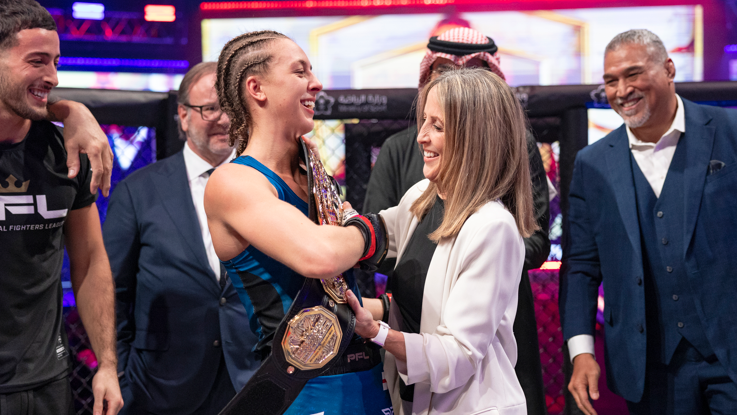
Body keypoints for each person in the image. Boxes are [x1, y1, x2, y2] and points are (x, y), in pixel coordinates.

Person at [362, 26, 550, 415]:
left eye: (438, 126)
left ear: (474, 134)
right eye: (424, 122)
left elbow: (458, 353)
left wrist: (375, 330)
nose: (421, 138)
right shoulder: (420, 194)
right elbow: (374, 235)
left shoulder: (494, 227)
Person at [204, 30, 392, 414]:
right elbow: (320, 256)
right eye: (300, 71)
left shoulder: (316, 176)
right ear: (257, 88)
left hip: (367, 377)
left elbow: (336, 299)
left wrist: (391, 309)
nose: (317, 83)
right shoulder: (235, 182)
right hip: (304, 391)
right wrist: (383, 228)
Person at [561, 29, 737, 415]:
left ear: (669, 69)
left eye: (633, 74)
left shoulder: (729, 132)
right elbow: (580, 267)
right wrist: (581, 351)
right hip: (650, 368)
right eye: (611, 80)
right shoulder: (592, 164)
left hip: (730, 353)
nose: (622, 90)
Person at [102, 62, 260, 415]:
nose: (223, 119)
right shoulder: (137, 191)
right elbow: (112, 290)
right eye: (210, 109)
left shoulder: (269, 185)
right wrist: (121, 371)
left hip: (253, 379)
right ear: (183, 115)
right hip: (161, 386)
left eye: (232, 108)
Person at [0, 1, 123, 414]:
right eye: (36, 61)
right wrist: (74, 109)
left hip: (47, 379)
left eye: (54, 62)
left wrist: (107, 364)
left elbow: (89, 259)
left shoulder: (65, 150)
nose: (52, 76)